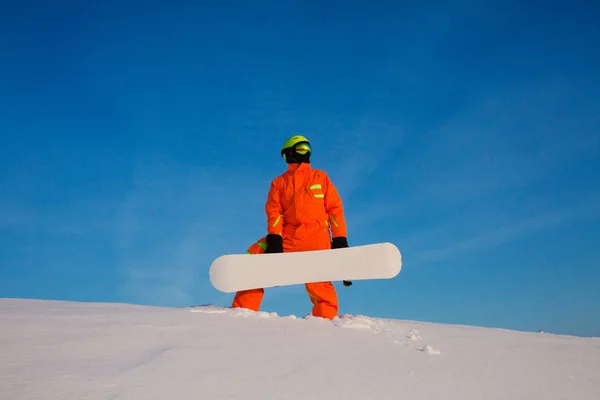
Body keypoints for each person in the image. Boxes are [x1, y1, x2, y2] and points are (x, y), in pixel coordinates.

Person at [231, 135, 350, 319]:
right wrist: (275, 241)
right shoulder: (279, 183)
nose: (305, 152)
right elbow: (274, 213)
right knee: (256, 257)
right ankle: (243, 313)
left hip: (318, 241)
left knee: (319, 283)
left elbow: (335, 211)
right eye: (301, 148)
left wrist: (339, 239)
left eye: (307, 148)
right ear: (289, 154)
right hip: (290, 241)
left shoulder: (320, 177)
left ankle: (325, 321)